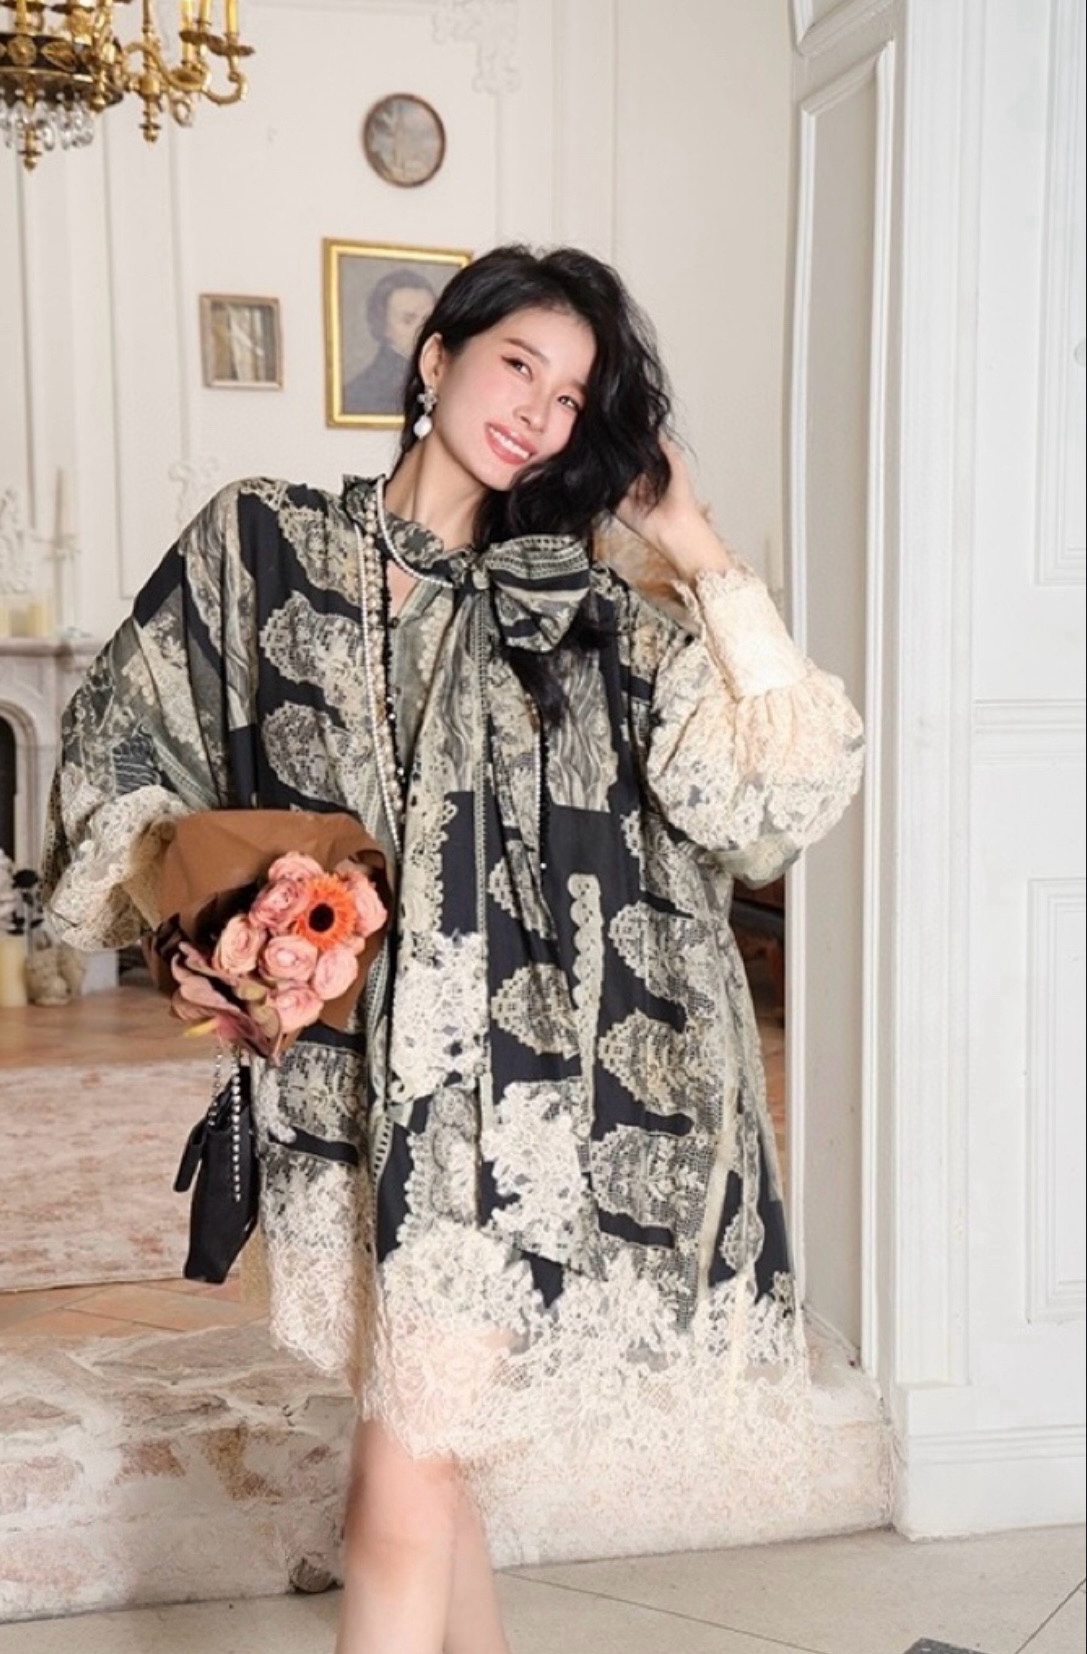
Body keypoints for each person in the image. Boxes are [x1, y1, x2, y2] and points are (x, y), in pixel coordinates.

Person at [42, 244, 864, 1654]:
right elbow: (121, 749)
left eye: (572, 396)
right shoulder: (262, 544)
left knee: (397, 1489)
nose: (536, 412)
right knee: (433, 1458)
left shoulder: (579, 610)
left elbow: (779, 791)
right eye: (516, 365)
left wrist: (691, 541)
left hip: (515, 1112)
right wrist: (205, 934)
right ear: (435, 359)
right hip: (343, 1098)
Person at [343, 267, 438, 416]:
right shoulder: (361, 391)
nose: (422, 329)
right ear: (383, 326)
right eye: (408, 320)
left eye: (428, 319)